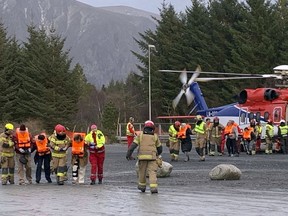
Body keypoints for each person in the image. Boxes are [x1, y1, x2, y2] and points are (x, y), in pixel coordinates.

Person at [126, 120, 162, 194]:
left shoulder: (140, 135)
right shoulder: (155, 136)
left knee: (142, 172)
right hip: (152, 157)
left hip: (142, 157)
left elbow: (133, 146)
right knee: (152, 172)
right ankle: (153, 188)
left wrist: (128, 155)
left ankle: (142, 187)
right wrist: (157, 154)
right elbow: (160, 148)